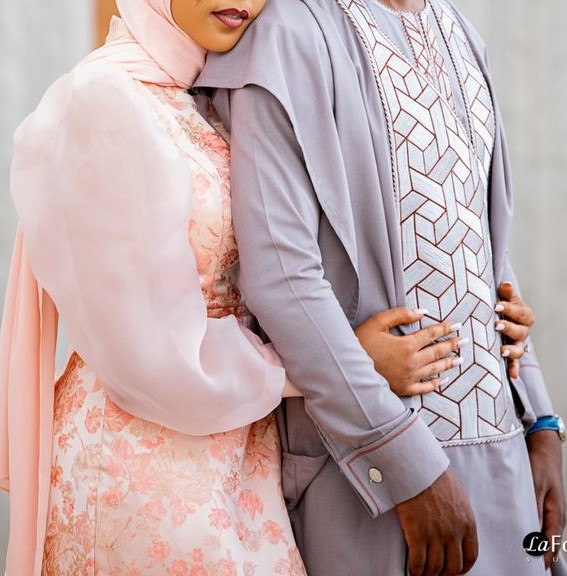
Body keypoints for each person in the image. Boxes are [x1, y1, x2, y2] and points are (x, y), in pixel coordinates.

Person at [195, 0, 567, 574]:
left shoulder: (458, 30)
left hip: (507, 456)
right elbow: (283, 277)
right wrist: (405, 464)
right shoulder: (287, 35)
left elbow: (480, 243)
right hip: (373, 479)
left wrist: (541, 424)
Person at [0, 1, 311, 575]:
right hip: (138, 462)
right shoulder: (104, 100)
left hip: (242, 447)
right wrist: (324, 369)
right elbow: (145, 354)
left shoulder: (213, 96)